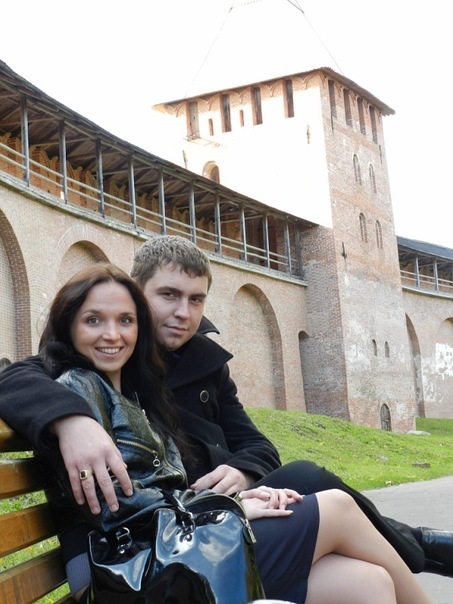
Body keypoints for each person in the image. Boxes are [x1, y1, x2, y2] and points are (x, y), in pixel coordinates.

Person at [0, 236, 451, 577]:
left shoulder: (204, 364)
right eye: (168, 295)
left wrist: (243, 472)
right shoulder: (107, 363)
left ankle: (417, 547)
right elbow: (18, 377)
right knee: (314, 488)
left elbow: (258, 445)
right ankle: (422, 548)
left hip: (211, 507)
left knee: (310, 492)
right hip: (165, 534)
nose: (183, 312)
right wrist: (72, 420)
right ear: (137, 293)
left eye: (196, 299)